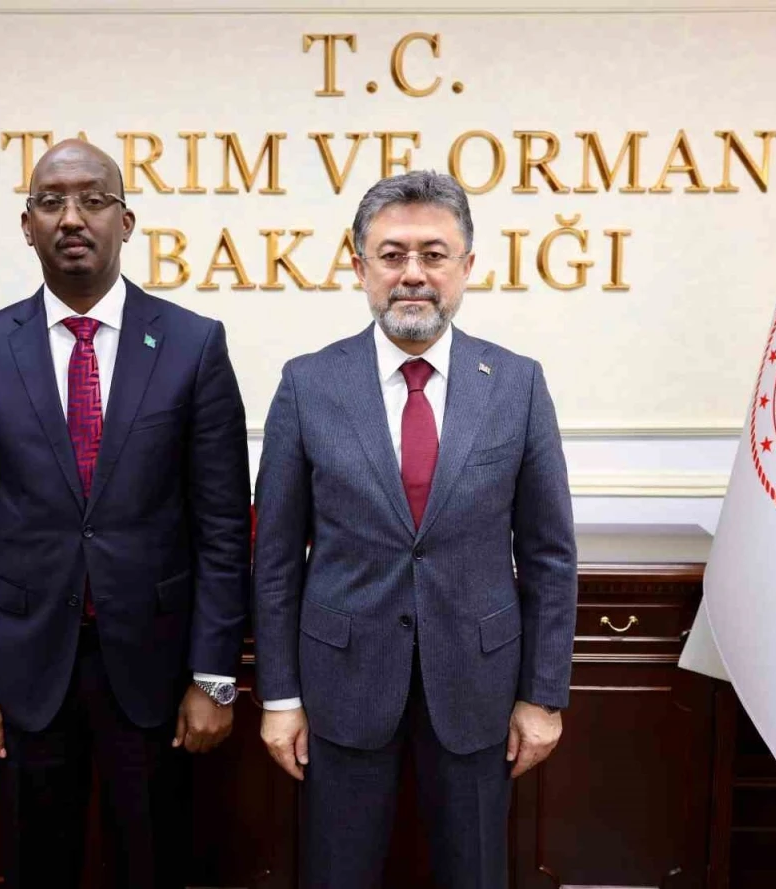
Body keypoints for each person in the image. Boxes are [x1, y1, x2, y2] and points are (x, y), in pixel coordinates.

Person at [0, 139, 251, 889]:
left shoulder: (193, 344)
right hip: (24, 673)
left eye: (93, 199)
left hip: (157, 673)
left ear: (126, 221)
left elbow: (223, 528)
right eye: (51, 201)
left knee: (155, 865)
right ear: (28, 225)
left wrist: (216, 678)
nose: (71, 217)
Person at [251, 170, 579, 888]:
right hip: (341, 688)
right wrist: (279, 697)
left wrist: (543, 695)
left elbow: (550, 557)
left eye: (434, 254)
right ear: (359, 265)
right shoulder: (307, 384)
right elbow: (273, 560)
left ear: (467, 265)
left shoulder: (517, 384)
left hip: (479, 689)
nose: (413, 274)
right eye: (393, 254)